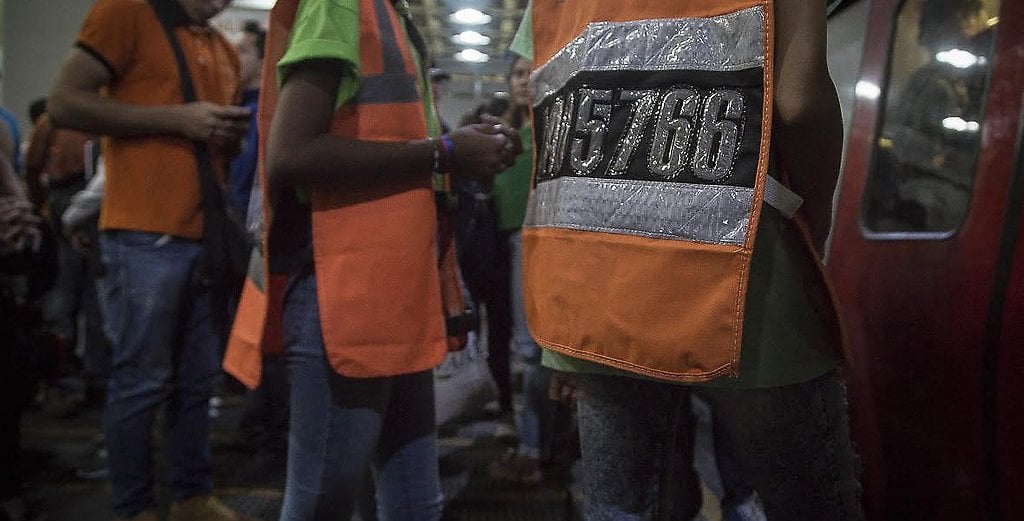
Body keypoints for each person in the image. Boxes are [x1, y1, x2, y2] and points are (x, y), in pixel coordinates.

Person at [514, 0, 864, 519]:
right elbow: (799, 104)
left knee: (623, 509)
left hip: (592, 285)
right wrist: (814, 219)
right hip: (745, 284)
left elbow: (553, 113)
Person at [221, 0, 519, 519]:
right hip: (346, 290)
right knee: (323, 500)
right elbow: (290, 155)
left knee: (415, 500)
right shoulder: (341, 5)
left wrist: (461, 151)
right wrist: (445, 152)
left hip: (392, 286)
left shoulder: (389, 14)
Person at [47, 0, 254, 520]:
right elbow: (65, 103)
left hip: (204, 237)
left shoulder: (221, 48)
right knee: (141, 381)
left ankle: (190, 496)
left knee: (195, 383)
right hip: (142, 233)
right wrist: (178, 119)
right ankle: (135, 506)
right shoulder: (127, 11)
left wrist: (222, 135)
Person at [486, 56, 556, 484]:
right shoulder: (499, 134)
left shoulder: (555, 130)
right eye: (517, 73)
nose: (524, 80)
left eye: (532, 71)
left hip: (543, 242)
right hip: (504, 247)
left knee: (533, 351)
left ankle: (533, 449)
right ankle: (536, 439)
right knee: (520, 348)